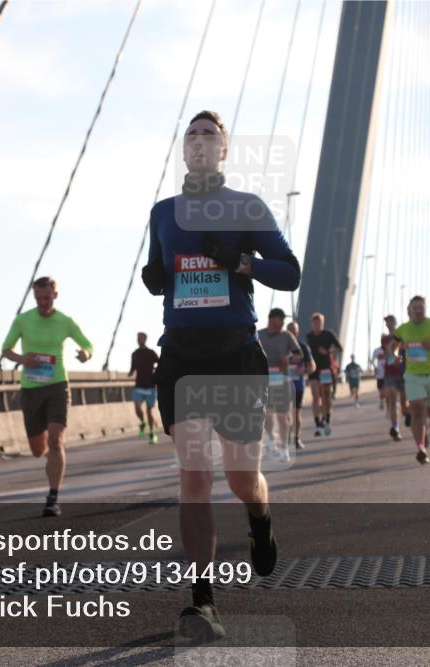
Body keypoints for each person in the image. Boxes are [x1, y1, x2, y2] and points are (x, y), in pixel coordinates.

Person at [141, 110, 301, 642]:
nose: (200, 141)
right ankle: (202, 601)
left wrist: (241, 263)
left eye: (210, 134)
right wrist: (157, 277)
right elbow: (160, 275)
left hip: (234, 353)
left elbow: (289, 270)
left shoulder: (246, 207)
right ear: (182, 149)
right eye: (191, 134)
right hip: (182, 354)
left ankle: (260, 517)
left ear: (224, 151)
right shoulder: (163, 213)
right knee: (194, 476)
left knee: (238, 478)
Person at [1, 276, 93, 518]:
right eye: (38, 298)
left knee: (56, 440)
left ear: (55, 295)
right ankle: (50, 458)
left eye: (46, 297)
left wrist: (85, 354)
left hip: (57, 386)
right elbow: (6, 349)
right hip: (31, 389)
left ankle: (53, 498)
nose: (42, 302)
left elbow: (88, 345)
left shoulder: (65, 321)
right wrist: (23, 360)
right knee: (37, 449)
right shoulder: (23, 320)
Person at [388, 296, 430, 464]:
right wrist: (395, 356)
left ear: (425, 309)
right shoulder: (403, 329)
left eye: (421, 307)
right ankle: (421, 448)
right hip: (413, 375)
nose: (418, 310)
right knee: (417, 409)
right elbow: (393, 347)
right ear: (410, 310)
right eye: (415, 308)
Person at [258, 308, 303, 462]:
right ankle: (271, 444)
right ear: (271, 319)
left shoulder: (287, 336)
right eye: (280, 319)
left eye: (284, 319)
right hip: (264, 382)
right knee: (267, 416)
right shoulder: (259, 335)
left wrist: (289, 360)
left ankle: (284, 449)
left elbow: (299, 354)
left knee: (282, 416)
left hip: (281, 381)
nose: (283, 322)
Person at [305, 313, 342, 436]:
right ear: (312, 324)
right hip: (314, 370)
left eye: (319, 323)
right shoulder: (309, 337)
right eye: (315, 323)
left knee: (326, 396)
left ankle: (326, 420)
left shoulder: (328, 334)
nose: (317, 325)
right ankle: (317, 424)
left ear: (322, 323)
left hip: (326, 368)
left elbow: (339, 348)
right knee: (315, 396)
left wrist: (328, 351)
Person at [286, 320, 315, 450]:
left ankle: (296, 438)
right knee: (285, 413)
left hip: (298, 385)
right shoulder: (281, 346)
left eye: (294, 331)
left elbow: (312, 366)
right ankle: (285, 439)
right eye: (290, 331)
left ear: (297, 333)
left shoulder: (303, 347)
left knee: (296, 412)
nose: (292, 333)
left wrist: (306, 370)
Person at [128, 332, 160, 444]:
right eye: (138, 338)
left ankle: (152, 434)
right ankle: (142, 422)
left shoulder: (151, 353)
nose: (139, 340)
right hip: (139, 385)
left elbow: (160, 363)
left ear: (145, 339)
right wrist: (130, 373)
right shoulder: (134, 354)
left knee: (149, 411)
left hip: (151, 386)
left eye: (141, 338)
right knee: (137, 408)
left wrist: (157, 373)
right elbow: (132, 368)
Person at [380, 315, 405, 440]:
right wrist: (383, 356)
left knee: (404, 403)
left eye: (390, 322)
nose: (388, 324)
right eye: (386, 322)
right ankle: (395, 427)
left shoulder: (403, 335)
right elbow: (385, 353)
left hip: (402, 371)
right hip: (389, 372)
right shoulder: (384, 339)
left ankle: (405, 412)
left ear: (395, 322)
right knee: (392, 397)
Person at [372, 345, 386, 410]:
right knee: (381, 390)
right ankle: (382, 401)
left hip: (388, 373)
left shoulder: (390, 348)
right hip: (380, 374)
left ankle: (387, 405)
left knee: (387, 390)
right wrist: (375, 367)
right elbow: (372, 360)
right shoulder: (376, 350)